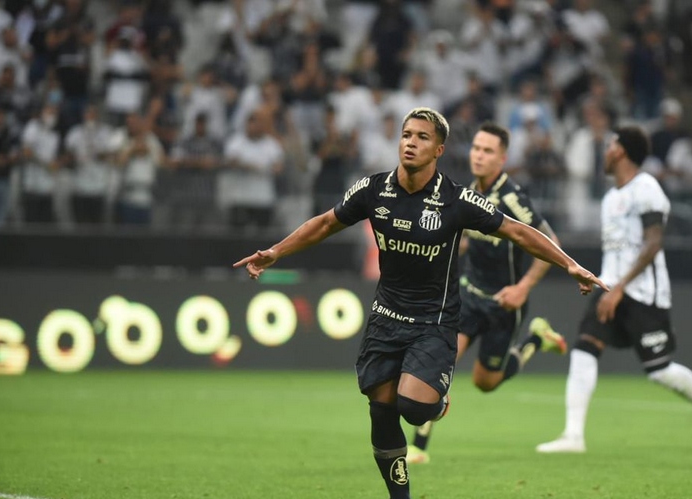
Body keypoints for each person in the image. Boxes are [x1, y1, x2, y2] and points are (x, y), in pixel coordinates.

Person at [234, 108, 607, 499]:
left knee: (413, 406)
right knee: (381, 408)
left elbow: (517, 231)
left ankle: (437, 398)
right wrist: (275, 252)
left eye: (422, 137)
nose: (411, 142)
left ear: (439, 149)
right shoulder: (373, 190)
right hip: (385, 319)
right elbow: (326, 223)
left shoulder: (456, 199)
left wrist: (570, 265)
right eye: (406, 134)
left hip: (435, 322)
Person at [536, 126, 692, 456]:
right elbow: (616, 249)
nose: (606, 149)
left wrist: (620, 288)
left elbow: (654, 243)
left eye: (611, 144)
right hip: (610, 286)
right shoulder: (612, 197)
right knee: (584, 349)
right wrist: (601, 282)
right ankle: (573, 435)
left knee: (660, 371)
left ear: (621, 151)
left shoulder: (647, 189)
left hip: (644, 293)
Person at [406, 122, 568, 465]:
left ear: (502, 158)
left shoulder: (511, 198)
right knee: (442, 361)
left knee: (486, 382)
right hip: (467, 297)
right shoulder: (467, 192)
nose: (478, 156)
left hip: (503, 305)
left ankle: (535, 340)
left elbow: (551, 244)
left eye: (487, 151)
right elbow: (464, 239)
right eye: (476, 148)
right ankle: (418, 445)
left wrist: (522, 288)